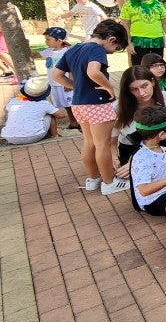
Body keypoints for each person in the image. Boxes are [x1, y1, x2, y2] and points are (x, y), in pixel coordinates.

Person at [51, 19, 131, 195]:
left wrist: (76, 86)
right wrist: (108, 86)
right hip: (97, 102)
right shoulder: (96, 49)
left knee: (89, 142)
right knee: (102, 143)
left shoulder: (75, 48)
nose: (112, 52)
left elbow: (56, 75)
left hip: (79, 103)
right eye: (115, 48)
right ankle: (109, 183)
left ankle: (93, 179)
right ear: (111, 39)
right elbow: (93, 71)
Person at [115, 65, 166, 168]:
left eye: (145, 86)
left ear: (152, 82)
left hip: (164, 145)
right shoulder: (118, 107)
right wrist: (115, 159)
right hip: (131, 149)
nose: (141, 93)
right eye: (134, 89)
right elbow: (112, 140)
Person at [129, 105, 166, 215]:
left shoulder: (161, 147)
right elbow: (144, 190)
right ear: (161, 134)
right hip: (154, 202)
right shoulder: (142, 158)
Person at [119, 0, 166, 67]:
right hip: (138, 42)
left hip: (157, 41)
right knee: (139, 69)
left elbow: (165, 23)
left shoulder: (158, 5)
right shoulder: (129, 5)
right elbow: (124, 25)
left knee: (157, 67)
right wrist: (128, 43)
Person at [1, 77, 66, 144]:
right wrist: (59, 108)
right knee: (50, 114)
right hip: (33, 136)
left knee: (10, 113)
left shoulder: (15, 100)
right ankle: (55, 136)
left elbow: (5, 110)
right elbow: (61, 115)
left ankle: (14, 131)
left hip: (10, 138)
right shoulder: (43, 103)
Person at [41, 27, 78, 128]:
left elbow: (71, 67)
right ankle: (73, 122)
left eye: (48, 39)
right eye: (46, 39)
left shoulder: (67, 52)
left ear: (59, 40)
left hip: (65, 83)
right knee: (65, 104)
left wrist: (70, 81)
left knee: (71, 104)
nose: (46, 41)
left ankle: (79, 122)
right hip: (54, 84)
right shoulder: (48, 51)